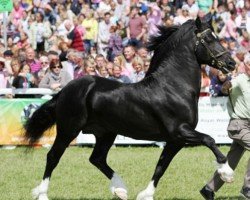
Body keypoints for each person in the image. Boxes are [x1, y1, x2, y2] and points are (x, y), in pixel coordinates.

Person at [200, 53, 250, 200]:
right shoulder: (240, 79)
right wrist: (226, 86)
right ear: (246, 65)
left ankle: (209, 188)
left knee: (232, 159)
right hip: (238, 126)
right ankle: (247, 188)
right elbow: (227, 86)